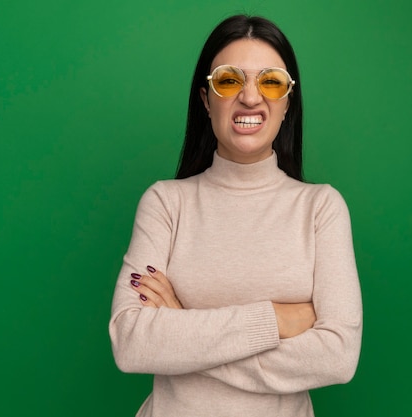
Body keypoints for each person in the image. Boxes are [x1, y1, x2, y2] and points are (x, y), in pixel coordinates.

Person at [109, 14, 363, 417]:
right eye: (229, 80)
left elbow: (337, 357)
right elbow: (130, 342)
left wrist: (183, 328)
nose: (250, 97)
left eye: (271, 81)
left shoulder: (321, 208)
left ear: (287, 101)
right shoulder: (165, 203)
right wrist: (275, 320)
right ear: (206, 99)